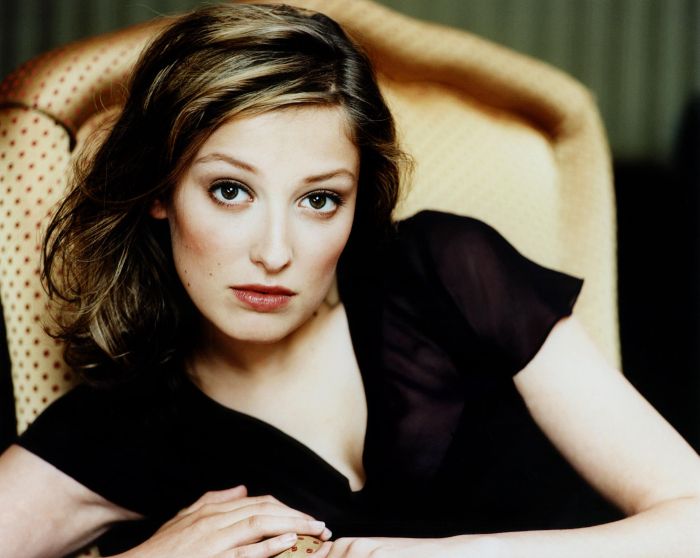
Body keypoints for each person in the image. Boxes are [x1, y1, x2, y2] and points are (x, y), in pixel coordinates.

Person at [1, 3, 699, 558]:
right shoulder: (119, 427)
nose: (275, 252)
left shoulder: (448, 271)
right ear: (161, 190)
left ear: (358, 200)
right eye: (230, 191)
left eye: (319, 199)